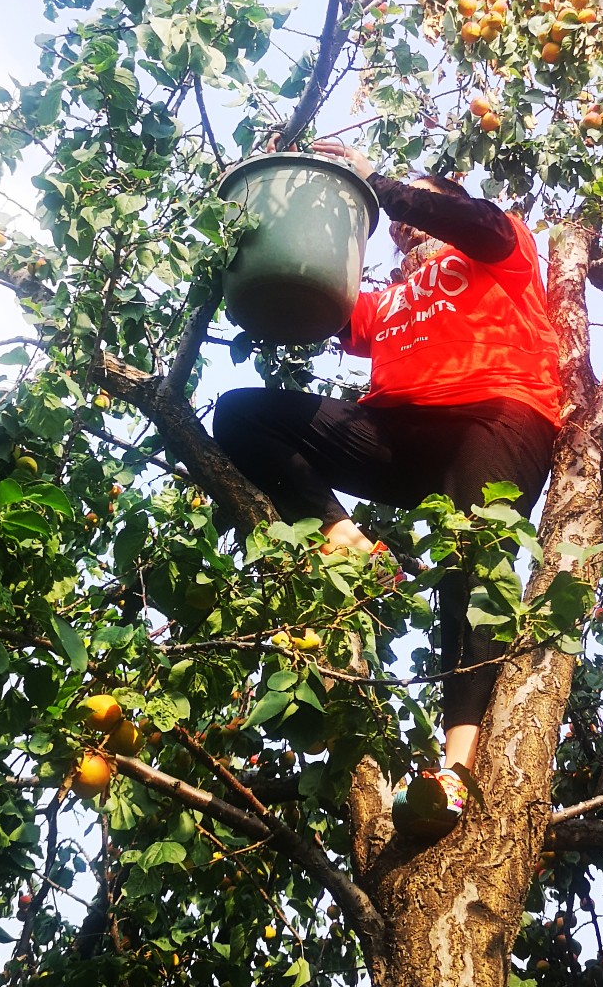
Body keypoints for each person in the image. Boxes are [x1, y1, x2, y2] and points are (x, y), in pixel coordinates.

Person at [212, 139, 563, 841]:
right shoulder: (389, 302)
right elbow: (307, 296)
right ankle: (346, 538)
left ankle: (456, 771)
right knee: (239, 414)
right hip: (397, 436)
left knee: (470, 561)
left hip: (498, 413)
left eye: (416, 220)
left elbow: (474, 223)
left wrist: (380, 185)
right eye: (400, 232)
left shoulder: (500, 248)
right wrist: (271, 218)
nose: (406, 235)